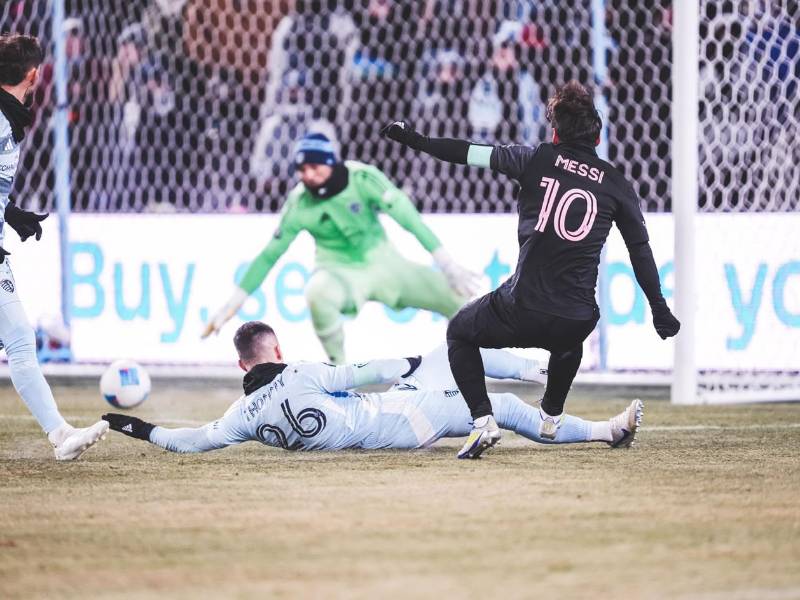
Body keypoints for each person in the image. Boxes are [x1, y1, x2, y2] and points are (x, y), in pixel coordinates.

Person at [381, 80, 679, 459]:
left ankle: (482, 421)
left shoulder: (535, 158)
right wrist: (659, 308)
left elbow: (470, 152)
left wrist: (418, 140)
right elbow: (640, 250)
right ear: (599, 138)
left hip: (521, 308)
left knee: (460, 331)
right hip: (574, 318)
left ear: (555, 133)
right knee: (574, 335)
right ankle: (551, 413)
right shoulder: (617, 184)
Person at [104, 321, 643, 454]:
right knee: (495, 403)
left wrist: (132, 425)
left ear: (241, 364)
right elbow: (361, 373)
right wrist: (404, 359)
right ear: (275, 352)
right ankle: (603, 432)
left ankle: (541, 371)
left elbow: (189, 441)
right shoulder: (301, 372)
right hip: (397, 422)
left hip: (391, 411)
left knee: (450, 353)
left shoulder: (241, 416)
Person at [202, 132, 480, 363]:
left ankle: (463, 373)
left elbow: (408, 218)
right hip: (339, 272)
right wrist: (231, 305)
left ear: (331, 162)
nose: (307, 175)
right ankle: (341, 374)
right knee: (317, 292)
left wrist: (447, 264)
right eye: (301, 170)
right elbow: (268, 256)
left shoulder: (361, 178)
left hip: (387, 265)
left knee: (459, 303)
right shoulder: (299, 204)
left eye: (314, 167)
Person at [0, 33, 108, 460]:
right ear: (34, 74)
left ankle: (61, 435)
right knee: (22, 343)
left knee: (20, 341)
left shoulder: (10, 118)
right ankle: (61, 436)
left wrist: (11, 212)